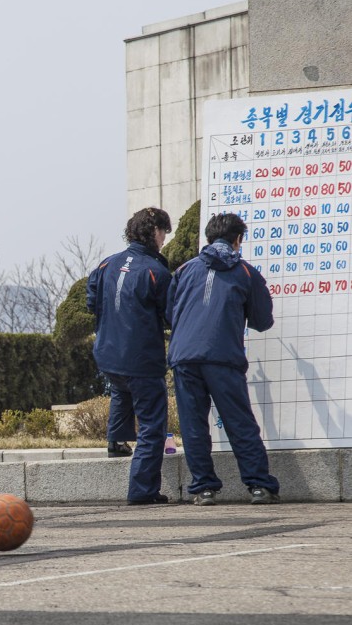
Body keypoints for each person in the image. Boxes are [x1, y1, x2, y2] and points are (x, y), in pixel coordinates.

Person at [167, 212, 280, 506]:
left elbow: (170, 314)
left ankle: (203, 488)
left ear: (207, 238)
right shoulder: (245, 272)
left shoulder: (183, 270)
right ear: (238, 239)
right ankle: (259, 486)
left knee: (193, 425)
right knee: (239, 421)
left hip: (183, 357)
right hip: (222, 355)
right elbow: (262, 320)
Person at [86, 207, 173, 504]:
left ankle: (116, 441)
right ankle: (142, 490)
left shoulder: (105, 264)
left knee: (121, 389)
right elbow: (171, 315)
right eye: (164, 233)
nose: (164, 240)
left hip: (107, 354)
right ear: (154, 232)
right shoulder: (156, 271)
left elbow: (91, 302)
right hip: (142, 359)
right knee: (152, 424)